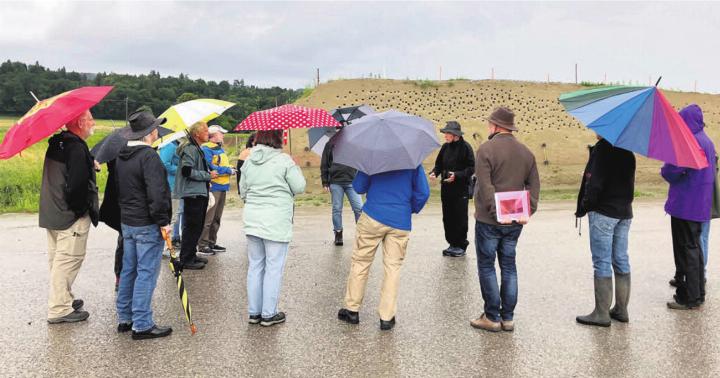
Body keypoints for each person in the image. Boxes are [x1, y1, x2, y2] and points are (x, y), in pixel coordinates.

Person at [470, 107, 540, 333]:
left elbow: (484, 185)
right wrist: (526, 210)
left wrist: (495, 211)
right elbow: (533, 186)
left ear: (496, 126)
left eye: (490, 123)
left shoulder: (486, 149)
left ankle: (492, 316)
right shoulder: (526, 152)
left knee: (487, 266)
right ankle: (508, 317)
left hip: (489, 221)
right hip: (516, 221)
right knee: (509, 266)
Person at [337, 165, 430, 331]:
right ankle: (386, 317)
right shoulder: (413, 162)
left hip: (373, 216)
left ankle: (352, 310)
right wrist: (408, 208)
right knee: (392, 268)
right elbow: (423, 193)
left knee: (361, 262)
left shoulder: (373, 157)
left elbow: (358, 187)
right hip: (400, 221)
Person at [115, 110, 173, 340]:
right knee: (146, 273)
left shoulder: (121, 155)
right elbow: (157, 193)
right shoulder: (148, 157)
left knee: (129, 270)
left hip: (128, 220)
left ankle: (125, 317)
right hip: (147, 223)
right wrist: (164, 222)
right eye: (156, 127)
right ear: (150, 132)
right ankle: (142, 324)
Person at [239, 130, 306, 327]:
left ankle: (254, 312)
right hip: (276, 220)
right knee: (273, 268)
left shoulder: (249, 160)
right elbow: (300, 187)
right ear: (278, 139)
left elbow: (243, 190)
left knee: (255, 266)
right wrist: (294, 166)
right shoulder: (284, 161)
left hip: (253, 219)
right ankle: (269, 313)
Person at [39, 110, 99, 324]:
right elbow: (76, 185)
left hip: (52, 212)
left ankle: (64, 298)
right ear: (80, 122)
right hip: (68, 215)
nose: (94, 123)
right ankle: (59, 309)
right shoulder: (75, 147)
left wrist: (89, 162)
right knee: (68, 260)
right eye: (91, 119)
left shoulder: (59, 143)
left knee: (57, 259)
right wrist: (80, 211)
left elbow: (68, 172)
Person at [575, 135, 636, 327]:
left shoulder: (602, 149)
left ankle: (601, 313)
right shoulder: (628, 149)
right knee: (620, 259)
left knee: (601, 261)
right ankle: (621, 308)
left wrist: (586, 206)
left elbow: (594, 184)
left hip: (603, 211)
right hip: (624, 212)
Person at [663, 104, 716, 310]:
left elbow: (671, 172)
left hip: (685, 204)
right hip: (700, 204)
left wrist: (667, 163)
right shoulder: (707, 141)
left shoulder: (688, 142)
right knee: (695, 248)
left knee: (686, 250)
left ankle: (688, 297)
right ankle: (698, 293)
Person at [429, 121, 475, 257]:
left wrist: (457, 175)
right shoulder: (445, 147)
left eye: (447, 133)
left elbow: (472, 168)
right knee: (448, 218)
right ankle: (452, 244)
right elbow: (439, 164)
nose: (445, 136)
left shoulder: (466, 148)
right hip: (446, 189)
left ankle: (461, 245)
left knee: (459, 218)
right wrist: (434, 173)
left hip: (461, 190)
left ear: (455, 135)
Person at [175, 121, 217, 270]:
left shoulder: (197, 148)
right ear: (196, 134)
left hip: (198, 191)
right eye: (205, 131)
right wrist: (207, 175)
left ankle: (191, 254)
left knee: (196, 226)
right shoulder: (190, 149)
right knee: (192, 227)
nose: (208, 133)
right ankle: (186, 259)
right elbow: (187, 171)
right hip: (193, 193)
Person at [198, 125, 235, 255]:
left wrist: (229, 167)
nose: (223, 136)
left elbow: (220, 165)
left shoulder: (219, 148)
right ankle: (202, 245)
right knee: (209, 218)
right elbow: (209, 166)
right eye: (221, 133)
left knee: (217, 218)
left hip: (223, 186)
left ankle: (211, 242)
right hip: (213, 186)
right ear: (213, 135)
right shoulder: (206, 148)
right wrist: (227, 170)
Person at [321, 134, 363, 246]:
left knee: (359, 208)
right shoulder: (330, 144)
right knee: (337, 209)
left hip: (352, 182)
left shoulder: (355, 145)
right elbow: (324, 163)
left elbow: (361, 161)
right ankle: (338, 233)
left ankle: (362, 234)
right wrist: (325, 181)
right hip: (335, 182)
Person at [98, 158, 124, 290]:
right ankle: (120, 277)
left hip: (119, 198)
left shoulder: (114, 147)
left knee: (124, 241)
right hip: (121, 200)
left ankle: (121, 277)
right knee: (125, 241)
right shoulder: (119, 149)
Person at [159, 139, 183, 251]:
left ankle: (166, 246)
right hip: (171, 185)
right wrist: (182, 169)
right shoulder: (170, 145)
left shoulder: (175, 145)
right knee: (172, 217)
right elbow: (165, 164)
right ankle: (166, 247)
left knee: (173, 215)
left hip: (174, 185)